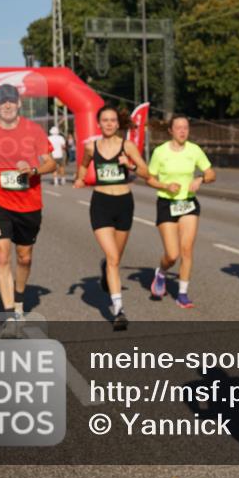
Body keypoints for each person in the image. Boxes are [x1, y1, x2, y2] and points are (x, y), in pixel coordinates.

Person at [0, 84, 56, 337]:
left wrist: (34, 170)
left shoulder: (33, 130)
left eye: (11, 100)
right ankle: (9, 316)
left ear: (19, 103)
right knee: (2, 254)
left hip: (29, 203)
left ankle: (19, 298)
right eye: (2, 101)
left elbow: (51, 163)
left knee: (24, 258)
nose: (7, 105)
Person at [73, 106, 150, 329]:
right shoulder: (91, 147)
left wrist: (130, 165)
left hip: (124, 204)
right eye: (105, 120)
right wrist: (80, 179)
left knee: (115, 257)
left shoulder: (128, 146)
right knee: (113, 258)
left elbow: (146, 172)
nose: (108, 124)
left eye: (112, 120)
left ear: (118, 124)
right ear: (98, 123)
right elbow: (83, 165)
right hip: (101, 204)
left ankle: (106, 269)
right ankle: (118, 311)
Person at [146, 115, 216, 309]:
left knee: (186, 249)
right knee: (172, 254)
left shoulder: (194, 150)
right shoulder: (160, 152)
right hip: (166, 204)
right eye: (178, 127)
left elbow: (211, 173)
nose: (183, 131)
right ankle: (161, 272)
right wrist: (165, 185)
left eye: (185, 127)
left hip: (188, 204)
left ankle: (182, 294)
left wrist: (200, 179)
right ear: (170, 130)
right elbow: (149, 178)